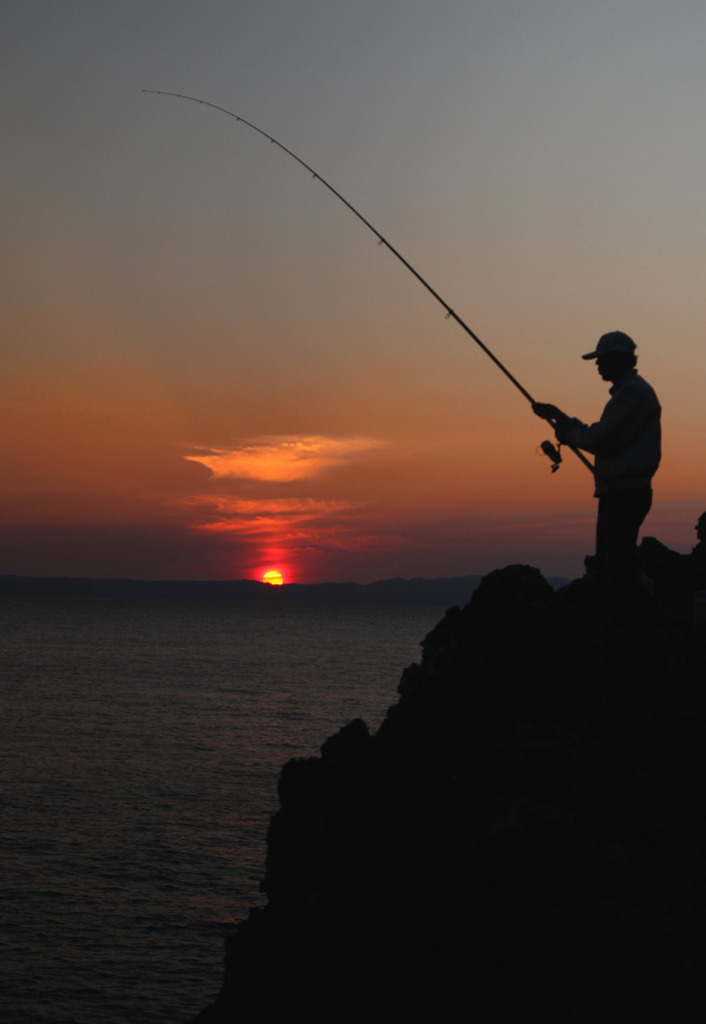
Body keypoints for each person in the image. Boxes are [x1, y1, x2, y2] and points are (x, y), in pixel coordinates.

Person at [533, 331, 661, 596]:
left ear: (619, 359)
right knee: (612, 565)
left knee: (616, 570)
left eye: (602, 359)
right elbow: (604, 436)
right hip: (619, 491)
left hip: (624, 493)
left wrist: (568, 431)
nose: (598, 365)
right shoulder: (629, 393)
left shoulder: (632, 394)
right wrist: (562, 419)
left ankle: (636, 612)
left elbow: (600, 439)